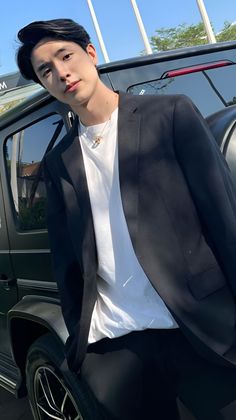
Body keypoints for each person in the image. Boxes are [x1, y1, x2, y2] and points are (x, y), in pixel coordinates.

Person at [17, 18, 236, 420]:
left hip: (197, 328)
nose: (61, 72)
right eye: (46, 70)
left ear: (90, 54)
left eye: (65, 56)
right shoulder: (58, 161)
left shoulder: (169, 114)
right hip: (115, 346)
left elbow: (223, 217)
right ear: (44, 83)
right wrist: (81, 349)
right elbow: (66, 260)